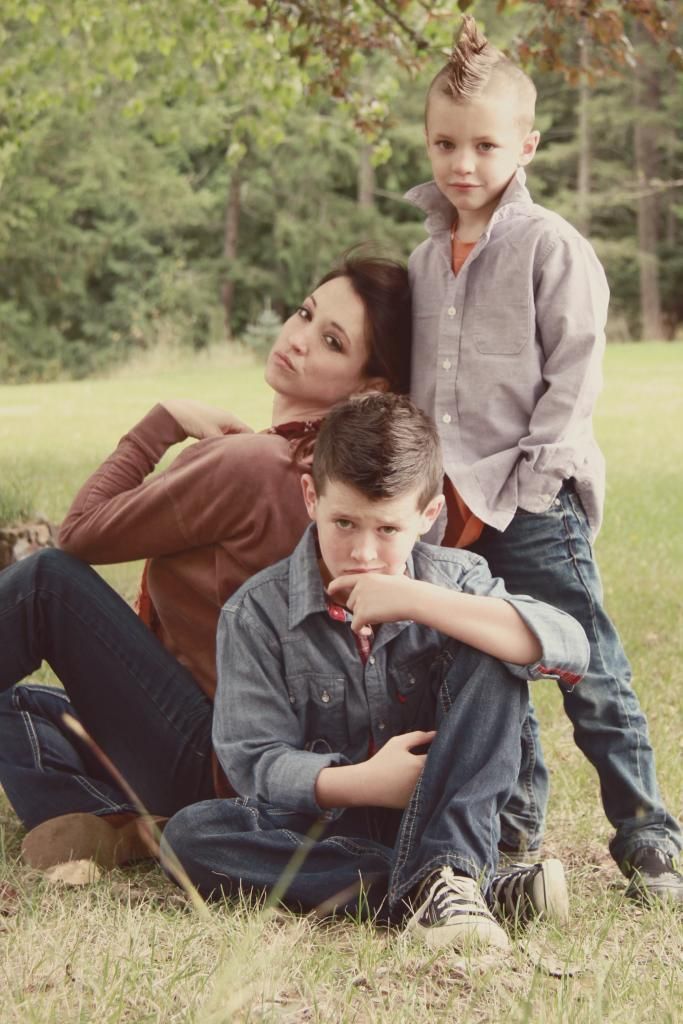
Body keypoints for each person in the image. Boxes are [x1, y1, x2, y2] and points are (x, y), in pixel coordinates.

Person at [0, 252, 412, 869]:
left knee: (43, 584)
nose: (298, 340)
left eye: (330, 341)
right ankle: (120, 823)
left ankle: (129, 813)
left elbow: (79, 536)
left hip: (208, 753)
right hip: (258, 766)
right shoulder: (334, 485)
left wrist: (161, 423)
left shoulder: (253, 465)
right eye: (305, 313)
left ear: (369, 387)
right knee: (21, 705)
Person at [404, 15, 682, 903]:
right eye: (446, 143)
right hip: (449, 509)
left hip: (528, 501)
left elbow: (573, 374)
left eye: (484, 145)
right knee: (481, 668)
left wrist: (529, 491)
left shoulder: (546, 245)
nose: (462, 163)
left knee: (584, 664)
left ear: (524, 145)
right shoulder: (420, 261)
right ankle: (514, 832)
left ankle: (646, 835)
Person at [160, 393, 590, 951]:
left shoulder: (458, 580)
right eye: (344, 522)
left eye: (388, 530)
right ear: (311, 497)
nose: (363, 552)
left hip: (466, 814)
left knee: (492, 638)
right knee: (190, 838)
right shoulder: (256, 612)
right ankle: (454, 887)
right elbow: (255, 761)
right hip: (340, 829)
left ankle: (451, 866)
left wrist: (416, 601)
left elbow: (570, 647)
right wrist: (366, 783)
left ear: (427, 515)